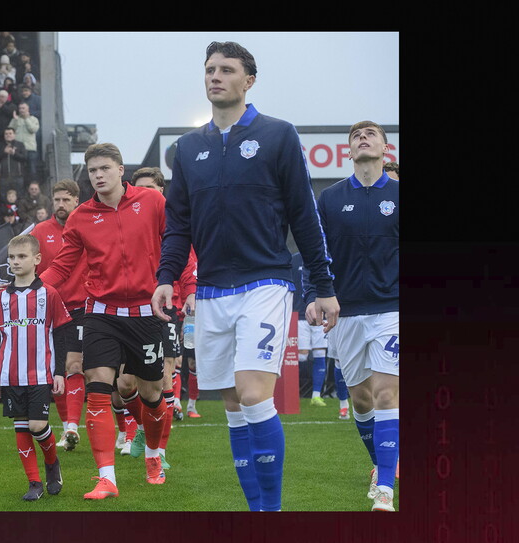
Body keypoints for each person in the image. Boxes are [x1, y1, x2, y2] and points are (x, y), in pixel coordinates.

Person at [152, 41, 339, 512]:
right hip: (212, 290)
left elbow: (304, 217)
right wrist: (166, 277)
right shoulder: (187, 149)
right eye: (210, 69)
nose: (215, 76)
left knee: (256, 394)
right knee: (234, 405)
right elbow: (178, 226)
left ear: (248, 80)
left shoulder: (278, 135)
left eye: (226, 70)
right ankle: (257, 512)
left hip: (266, 282)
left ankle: (271, 513)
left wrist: (323, 286)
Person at [40, 143, 170, 499]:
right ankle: (106, 478)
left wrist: (174, 281)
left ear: (120, 169)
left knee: (151, 394)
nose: (97, 175)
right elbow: (63, 264)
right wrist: (31, 289)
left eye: (103, 169)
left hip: (146, 313)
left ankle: (154, 455)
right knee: (97, 387)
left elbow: (175, 241)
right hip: (100, 313)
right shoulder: (81, 216)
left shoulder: (152, 202)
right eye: (92, 170)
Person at [303, 120, 399, 512]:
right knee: (361, 401)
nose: (363, 139)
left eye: (370, 134)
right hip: (345, 313)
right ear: (348, 150)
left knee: (386, 394)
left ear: (385, 147)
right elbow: (314, 254)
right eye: (356, 136)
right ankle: (381, 464)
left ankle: (386, 491)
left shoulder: (398, 194)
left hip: (391, 310)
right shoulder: (329, 198)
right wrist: (312, 294)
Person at [0, 234, 68, 501]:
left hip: (41, 373)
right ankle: (34, 483)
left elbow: (60, 334)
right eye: (11, 257)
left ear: (37, 259)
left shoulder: (49, 294)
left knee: (37, 425)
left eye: (21, 256)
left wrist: (59, 371)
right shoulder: (0, 298)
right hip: (11, 375)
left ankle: (52, 463)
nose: (15, 262)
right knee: (21, 429)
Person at [130, 167, 196, 468]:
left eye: (150, 188)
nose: (144, 194)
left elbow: (187, 259)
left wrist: (192, 291)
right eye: (139, 188)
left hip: (167, 306)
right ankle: (143, 427)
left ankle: (160, 452)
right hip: (129, 307)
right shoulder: (127, 220)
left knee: (165, 375)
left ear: (161, 191)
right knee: (125, 384)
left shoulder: (174, 220)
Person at [29, 179, 89, 451]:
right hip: (50, 310)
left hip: (83, 308)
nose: (61, 205)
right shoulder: (40, 231)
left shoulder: (89, 224)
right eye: (57, 200)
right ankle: (68, 429)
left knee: (77, 366)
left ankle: (74, 425)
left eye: (66, 199)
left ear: (76, 200)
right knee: (58, 370)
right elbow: (31, 267)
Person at [290, 252, 331, 407]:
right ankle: (294, 392)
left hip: (321, 314)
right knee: (302, 355)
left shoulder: (320, 258)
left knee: (320, 352)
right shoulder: (293, 260)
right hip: (299, 315)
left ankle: (316, 395)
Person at [8, 102, 39, 182]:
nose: (21, 110)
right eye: (20, 108)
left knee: (32, 169)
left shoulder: (34, 119)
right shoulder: (15, 119)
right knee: (19, 169)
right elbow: (9, 131)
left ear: (28, 109)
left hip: (30, 148)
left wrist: (26, 119)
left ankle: (32, 186)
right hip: (18, 149)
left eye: (23, 108)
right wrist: (15, 120)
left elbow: (33, 129)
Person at [0, 127, 27, 199]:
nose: (8, 135)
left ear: (14, 135)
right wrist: (4, 152)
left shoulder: (20, 145)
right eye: (6, 134)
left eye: (10, 133)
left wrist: (14, 153)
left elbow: (24, 158)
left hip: (17, 176)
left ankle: (18, 210)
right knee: (3, 197)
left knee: (19, 197)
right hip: (4, 177)